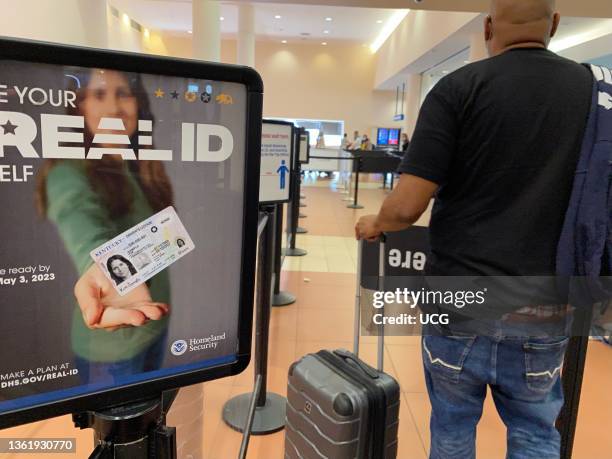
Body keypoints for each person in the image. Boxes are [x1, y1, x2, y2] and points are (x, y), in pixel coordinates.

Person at [356, 0, 594, 457]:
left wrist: (376, 223)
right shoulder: (593, 95)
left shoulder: (457, 88)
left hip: (459, 298)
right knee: (535, 432)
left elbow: (405, 208)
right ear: (556, 25)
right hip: (546, 302)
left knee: (451, 425)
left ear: (487, 27)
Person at [36, 68, 173, 381]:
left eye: (122, 93)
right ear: (80, 107)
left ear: (138, 104)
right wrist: (100, 266)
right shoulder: (67, 173)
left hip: (152, 330)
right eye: (99, 95)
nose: (114, 108)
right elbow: (85, 230)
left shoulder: (136, 167)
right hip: (112, 353)